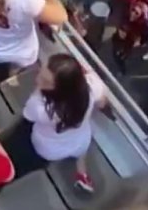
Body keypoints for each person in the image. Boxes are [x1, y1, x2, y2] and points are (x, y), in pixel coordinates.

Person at [23, 53, 109, 193]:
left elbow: (27, 115)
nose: (38, 80)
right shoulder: (92, 86)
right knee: (81, 149)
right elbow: (102, 103)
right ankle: (82, 173)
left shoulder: (41, 107)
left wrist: (39, 91)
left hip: (48, 149)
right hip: (81, 140)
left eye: (46, 82)